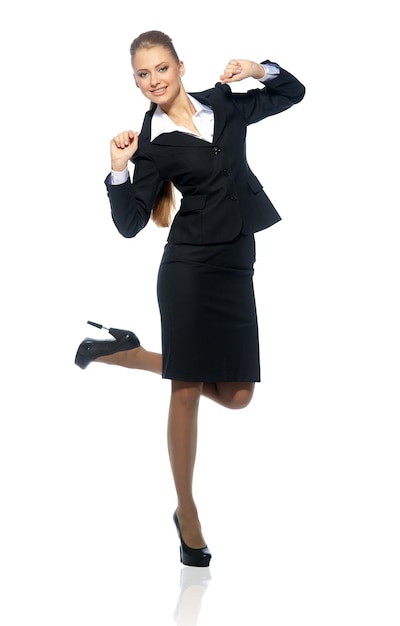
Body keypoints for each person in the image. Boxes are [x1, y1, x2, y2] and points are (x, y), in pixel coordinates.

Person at [75, 30, 305, 567]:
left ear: (180, 65)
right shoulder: (151, 146)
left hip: (235, 262)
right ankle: (187, 513)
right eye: (142, 74)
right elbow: (132, 224)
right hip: (188, 269)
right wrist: (118, 168)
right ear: (134, 80)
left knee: (239, 394)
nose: (153, 81)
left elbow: (293, 93)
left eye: (161, 68)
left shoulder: (224, 103)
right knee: (186, 389)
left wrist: (258, 68)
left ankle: (120, 353)